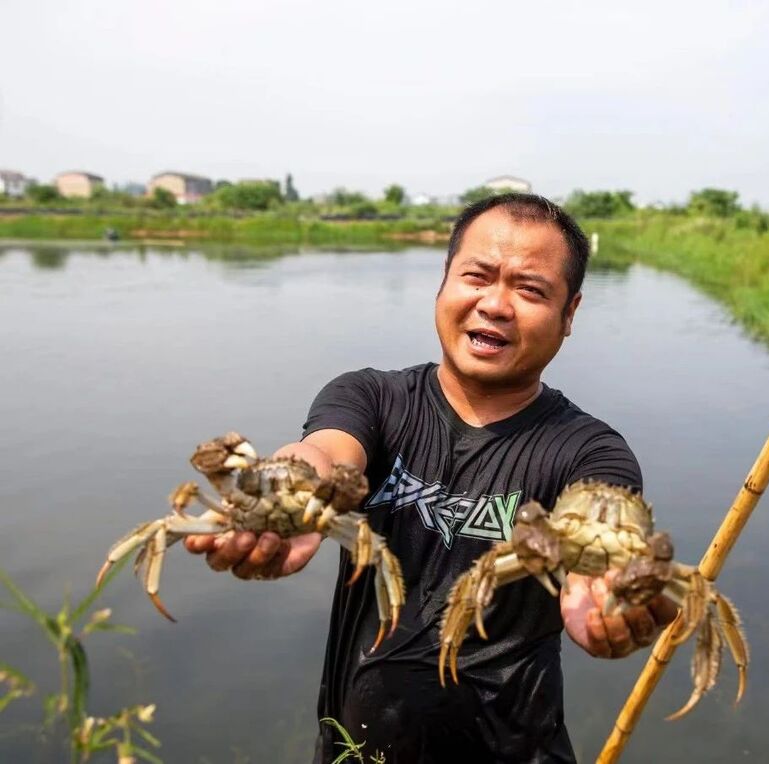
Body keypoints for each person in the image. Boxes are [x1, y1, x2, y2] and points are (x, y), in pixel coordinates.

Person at [184, 193, 677, 762]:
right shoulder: (372, 397)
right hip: (353, 747)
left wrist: (616, 598)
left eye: (531, 289)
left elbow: (604, 526)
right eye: (477, 276)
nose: (495, 304)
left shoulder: (591, 452)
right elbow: (325, 450)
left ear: (570, 315)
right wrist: (293, 484)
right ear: (443, 284)